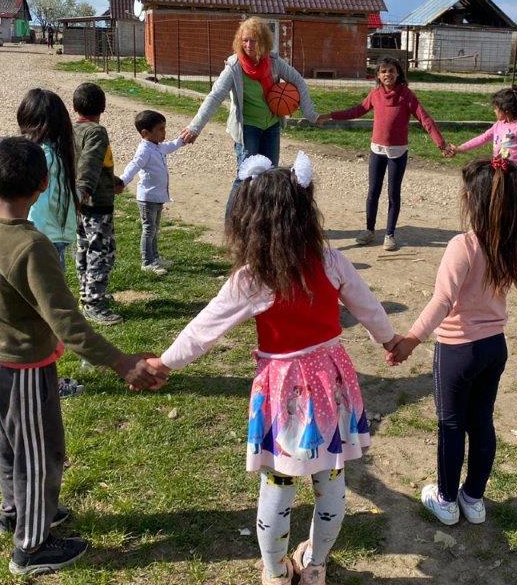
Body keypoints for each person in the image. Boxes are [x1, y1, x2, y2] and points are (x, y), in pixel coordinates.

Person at [147, 152, 402, 585]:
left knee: (279, 484)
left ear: (251, 217)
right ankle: (315, 567)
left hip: (283, 389)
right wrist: (390, 340)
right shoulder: (330, 260)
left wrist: (163, 362)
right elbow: (368, 306)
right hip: (331, 381)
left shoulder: (253, 277)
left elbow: (204, 329)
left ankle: (274, 574)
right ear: (306, 210)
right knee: (332, 476)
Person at [0, 136, 166, 576]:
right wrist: (121, 361)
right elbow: (68, 324)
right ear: (43, 185)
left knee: (11, 444)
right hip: (24, 367)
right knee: (42, 454)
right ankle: (32, 547)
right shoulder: (31, 246)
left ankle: (15, 513)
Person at [387, 157, 517, 526]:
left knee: (451, 425)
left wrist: (411, 339)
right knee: (482, 421)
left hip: (458, 350)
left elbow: (442, 300)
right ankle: (474, 498)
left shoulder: (463, 245)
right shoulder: (511, 246)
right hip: (493, 349)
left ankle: (446, 501)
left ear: (472, 199)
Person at [177, 17, 319, 206]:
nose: (249, 45)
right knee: (245, 178)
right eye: (245, 40)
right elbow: (215, 96)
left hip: (271, 126)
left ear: (263, 42)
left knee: (270, 177)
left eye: (254, 40)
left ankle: (264, 221)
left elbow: (298, 80)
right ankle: (232, 223)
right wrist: (194, 127)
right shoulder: (234, 67)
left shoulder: (274, 62)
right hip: (247, 128)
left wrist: (310, 115)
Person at [318, 57, 448, 251]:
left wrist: (441, 143)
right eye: (384, 71)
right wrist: (330, 115)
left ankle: (389, 234)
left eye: (392, 71)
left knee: (393, 194)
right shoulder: (375, 94)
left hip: (398, 153)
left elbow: (425, 119)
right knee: (373, 192)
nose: (388, 74)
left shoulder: (406, 95)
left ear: (398, 74)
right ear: (378, 75)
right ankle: (369, 230)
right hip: (377, 151)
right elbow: (357, 110)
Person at [72, 82, 125, 325]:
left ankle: (87, 294)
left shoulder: (73, 131)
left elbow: (90, 163)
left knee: (84, 248)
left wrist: (112, 179)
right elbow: (90, 162)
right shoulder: (96, 132)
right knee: (101, 252)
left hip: (81, 203)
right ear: (103, 106)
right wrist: (85, 189)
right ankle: (94, 303)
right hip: (95, 203)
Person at [16, 88, 78, 268]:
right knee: (50, 289)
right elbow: (40, 201)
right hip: (47, 235)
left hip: (42, 235)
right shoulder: (49, 155)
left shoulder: (35, 152)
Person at [118, 109, 183, 277]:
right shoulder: (144, 150)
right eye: (160, 129)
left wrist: (183, 140)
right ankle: (147, 262)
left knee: (154, 228)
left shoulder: (158, 146)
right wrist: (122, 181)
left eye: (164, 128)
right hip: (147, 198)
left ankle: (155, 257)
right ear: (145, 133)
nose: (164, 132)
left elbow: (170, 146)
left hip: (157, 197)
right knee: (148, 229)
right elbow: (134, 165)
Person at [447, 86, 517, 188]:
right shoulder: (499, 124)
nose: (494, 111)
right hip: (497, 169)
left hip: (512, 174)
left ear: (506, 110)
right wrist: (460, 148)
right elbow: (482, 138)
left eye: (496, 108)